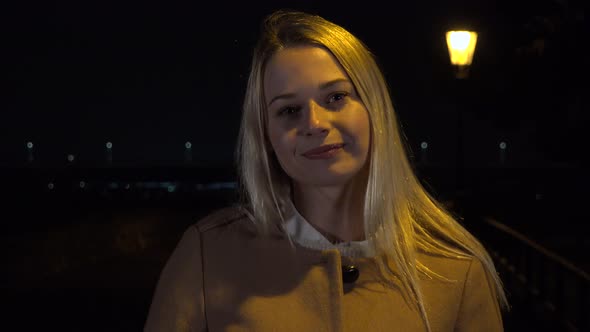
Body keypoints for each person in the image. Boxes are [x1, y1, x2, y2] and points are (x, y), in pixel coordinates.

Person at [144, 9, 509, 332]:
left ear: (373, 108)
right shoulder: (208, 257)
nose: (315, 123)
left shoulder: (455, 270)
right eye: (289, 110)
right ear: (267, 136)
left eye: (335, 97)